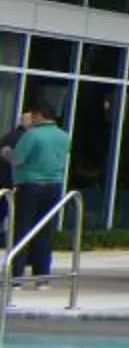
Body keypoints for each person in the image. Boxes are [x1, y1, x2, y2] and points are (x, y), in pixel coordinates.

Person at [8, 100, 68, 281]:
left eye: (33, 116)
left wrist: (5, 152)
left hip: (30, 185)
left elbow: (18, 159)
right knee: (44, 230)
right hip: (54, 185)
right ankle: (42, 276)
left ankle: (17, 275)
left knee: (23, 229)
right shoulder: (64, 135)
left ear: (40, 115)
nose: (31, 120)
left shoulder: (32, 135)